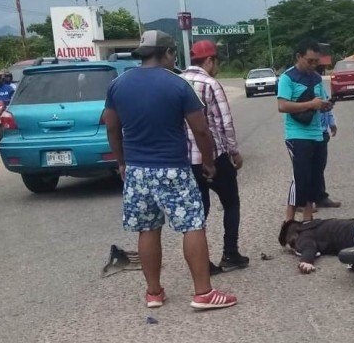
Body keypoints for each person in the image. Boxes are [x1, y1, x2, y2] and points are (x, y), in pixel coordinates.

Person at [103, 30, 237, 310]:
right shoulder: (177, 85)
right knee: (192, 224)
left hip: (138, 170)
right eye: (173, 53)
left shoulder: (118, 84)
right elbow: (200, 129)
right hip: (172, 168)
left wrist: (122, 162)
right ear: (167, 53)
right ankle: (203, 293)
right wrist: (210, 162)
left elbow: (112, 127)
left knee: (148, 229)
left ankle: (153, 293)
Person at [181, 40, 249, 275]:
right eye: (216, 62)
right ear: (209, 60)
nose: (217, 67)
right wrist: (234, 151)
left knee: (199, 212)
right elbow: (224, 122)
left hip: (187, 160)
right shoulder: (210, 84)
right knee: (231, 203)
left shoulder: (178, 82)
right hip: (213, 156)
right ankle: (230, 253)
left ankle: (203, 263)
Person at [277, 38, 333, 222]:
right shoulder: (287, 78)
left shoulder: (316, 78)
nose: (313, 65)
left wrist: (325, 108)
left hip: (317, 134)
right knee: (300, 177)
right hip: (297, 135)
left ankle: (308, 220)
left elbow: (320, 101)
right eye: (310, 61)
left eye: (316, 61)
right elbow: (282, 106)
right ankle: (289, 221)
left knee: (313, 179)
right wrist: (311, 104)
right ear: (299, 57)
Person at [279, 218, 354, 274]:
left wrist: (306, 261)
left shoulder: (303, 236)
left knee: (352, 261)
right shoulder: (315, 224)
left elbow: (309, 247)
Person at [317, 106, 341, 208]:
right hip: (306, 134)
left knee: (319, 167)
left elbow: (327, 107)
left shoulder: (321, 90)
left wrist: (332, 123)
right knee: (304, 169)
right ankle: (301, 202)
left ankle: (320, 198)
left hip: (322, 133)